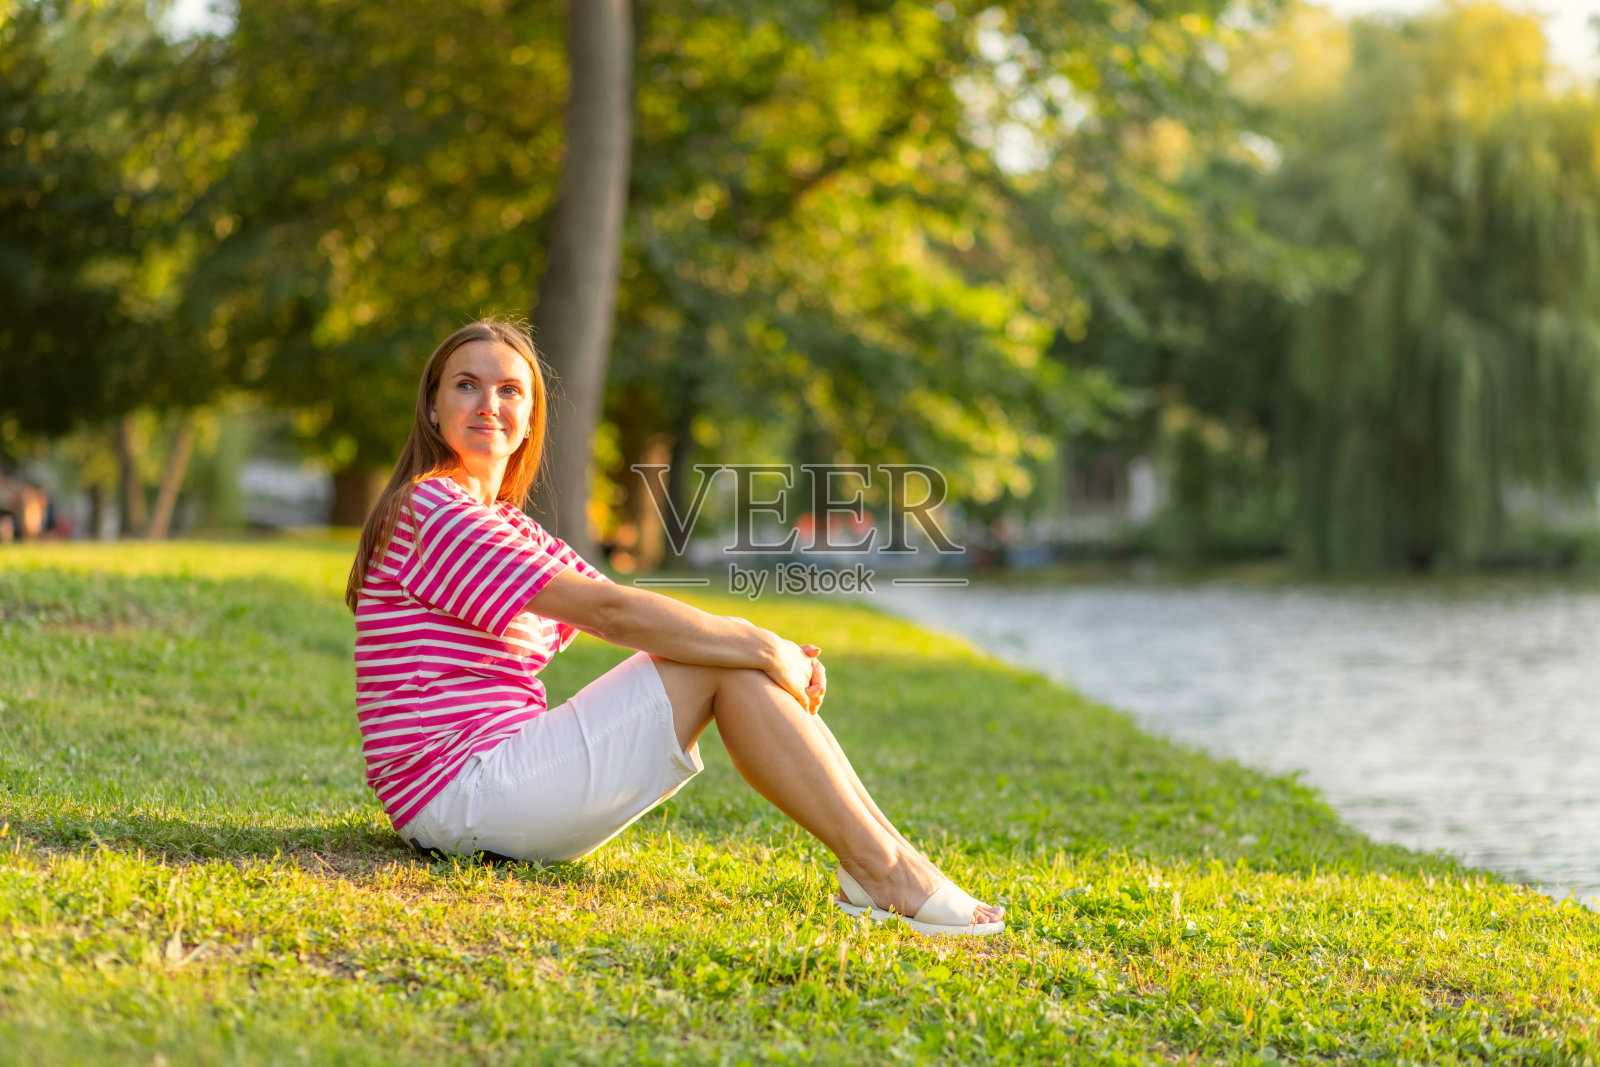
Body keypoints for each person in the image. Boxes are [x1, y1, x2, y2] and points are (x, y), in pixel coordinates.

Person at [345, 318, 1004, 937]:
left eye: (509, 390)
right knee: (721, 657)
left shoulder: (507, 525)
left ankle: (884, 863)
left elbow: (622, 601)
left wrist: (763, 653)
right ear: (433, 408)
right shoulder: (433, 504)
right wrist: (760, 645)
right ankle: (884, 871)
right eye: (467, 384)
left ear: (527, 422)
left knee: (725, 655)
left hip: (492, 787)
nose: (489, 402)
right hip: (462, 792)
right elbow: (615, 616)